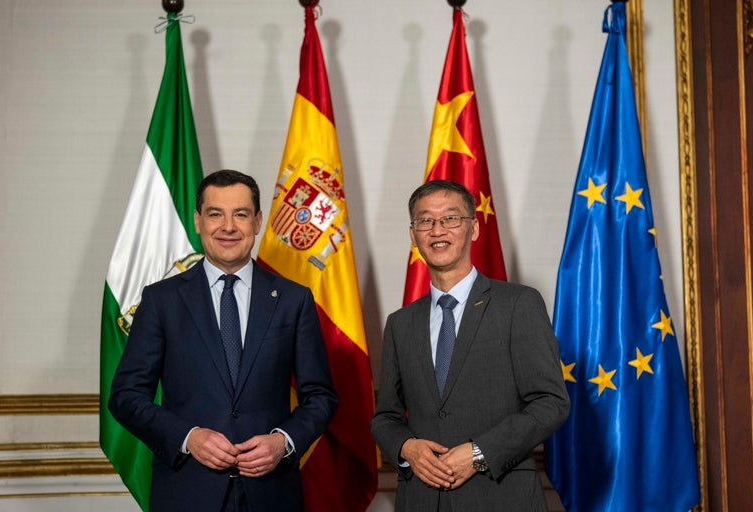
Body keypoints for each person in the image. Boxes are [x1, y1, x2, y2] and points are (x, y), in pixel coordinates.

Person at [109, 169, 338, 512]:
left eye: (241, 214)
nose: (228, 226)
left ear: (258, 221)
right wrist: (188, 438)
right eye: (216, 214)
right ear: (198, 221)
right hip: (186, 492)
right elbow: (126, 396)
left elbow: (320, 396)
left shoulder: (293, 300)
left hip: (272, 493)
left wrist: (283, 442)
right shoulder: (162, 300)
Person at [371, 180, 570, 511]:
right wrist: (407, 448)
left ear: (474, 229)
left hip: (501, 496)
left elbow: (551, 403)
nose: (437, 230)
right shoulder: (400, 323)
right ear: (413, 234)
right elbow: (385, 417)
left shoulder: (518, 304)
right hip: (422, 499)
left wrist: (479, 452)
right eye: (425, 221)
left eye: (450, 218)